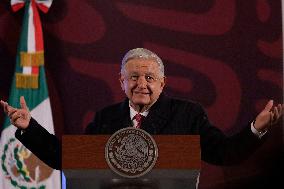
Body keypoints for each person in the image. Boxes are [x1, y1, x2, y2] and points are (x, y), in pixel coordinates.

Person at [1, 48, 283, 171]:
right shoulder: (105, 119)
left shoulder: (187, 115)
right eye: (133, 77)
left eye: (149, 78)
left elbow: (225, 153)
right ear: (122, 82)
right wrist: (29, 127)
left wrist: (257, 128)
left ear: (162, 83)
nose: (141, 84)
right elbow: (67, 159)